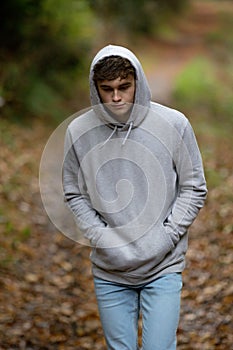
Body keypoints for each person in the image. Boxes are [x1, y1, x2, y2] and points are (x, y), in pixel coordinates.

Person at [62, 45, 207, 350]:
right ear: (95, 88)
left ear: (137, 83)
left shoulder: (173, 124)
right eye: (107, 89)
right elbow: (74, 192)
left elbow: (194, 186)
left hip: (163, 265)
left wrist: (166, 237)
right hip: (109, 269)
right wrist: (101, 237)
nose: (116, 97)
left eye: (124, 88)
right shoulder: (78, 130)